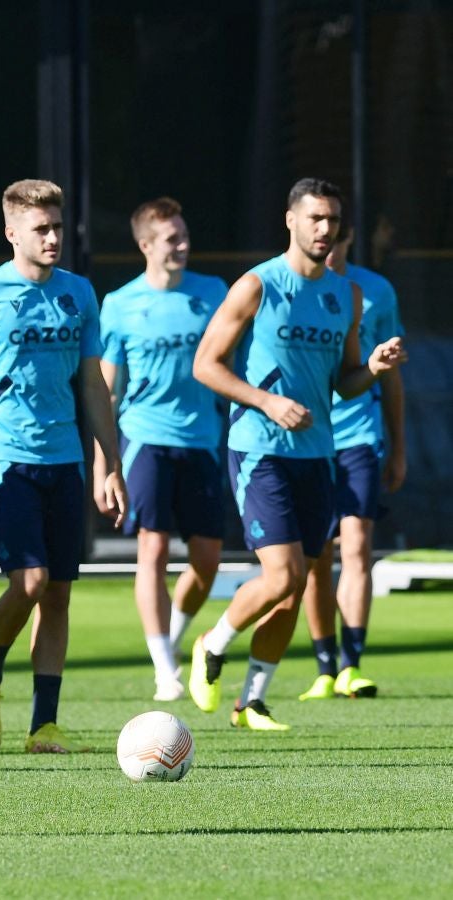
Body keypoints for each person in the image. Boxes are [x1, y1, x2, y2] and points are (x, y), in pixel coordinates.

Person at [189, 178, 406, 730]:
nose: (324, 229)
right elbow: (206, 365)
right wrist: (266, 401)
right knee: (283, 576)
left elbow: (345, 382)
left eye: (332, 219)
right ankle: (212, 644)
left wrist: (375, 369)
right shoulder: (258, 285)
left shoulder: (346, 296)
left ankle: (251, 701)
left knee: (297, 586)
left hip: (318, 454)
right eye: (314, 218)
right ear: (290, 220)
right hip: (261, 451)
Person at [0, 179, 127, 754]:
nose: (52, 238)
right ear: (11, 232)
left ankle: (44, 723)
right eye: (40, 229)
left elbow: (93, 383)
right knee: (30, 580)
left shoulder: (79, 293)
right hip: (4, 458)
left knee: (59, 593)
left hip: (65, 458)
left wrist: (110, 464)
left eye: (56, 227)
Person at [95, 198, 228, 701]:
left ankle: (172, 642)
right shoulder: (120, 304)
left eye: (185, 235)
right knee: (151, 548)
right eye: (172, 238)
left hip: (203, 440)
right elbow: (106, 389)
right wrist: (101, 464)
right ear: (146, 245)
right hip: (145, 438)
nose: (183, 245)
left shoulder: (213, 293)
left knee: (208, 559)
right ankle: (163, 669)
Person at [299, 224, 405, 702]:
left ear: (348, 238)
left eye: (339, 233)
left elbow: (391, 374)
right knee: (317, 558)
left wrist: (398, 445)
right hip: (312, 438)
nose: (330, 242)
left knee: (358, 545)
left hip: (361, 435)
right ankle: (323, 666)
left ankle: (351, 665)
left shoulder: (375, 292)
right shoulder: (289, 288)